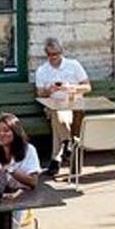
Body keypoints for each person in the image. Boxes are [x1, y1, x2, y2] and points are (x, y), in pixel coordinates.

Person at [34, 37, 91, 177]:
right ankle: (68, 142)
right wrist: (49, 90)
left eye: (56, 54)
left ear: (61, 52)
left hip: (74, 103)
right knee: (56, 112)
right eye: (50, 54)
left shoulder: (73, 65)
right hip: (53, 104)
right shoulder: (42, 70)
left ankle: (57, 158)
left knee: (58, 121)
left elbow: (87, 87)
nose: (53, 57)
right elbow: (39, 93)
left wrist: (72, 88)